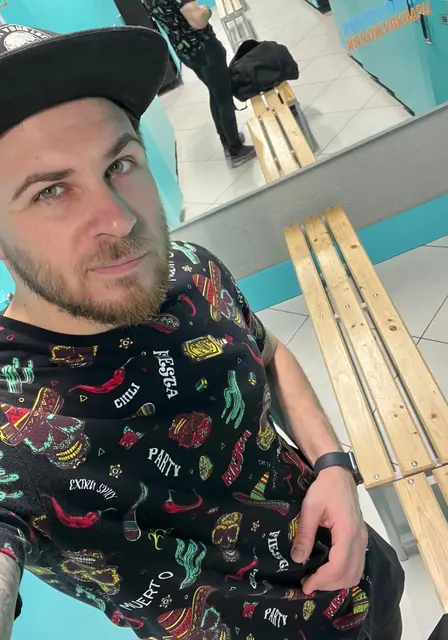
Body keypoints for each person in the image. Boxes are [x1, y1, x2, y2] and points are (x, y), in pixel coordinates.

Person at [0, 23, 404, 640]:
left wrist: (332, 466)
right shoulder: (11, 421)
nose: (119, 219)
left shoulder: (190, 268)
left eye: (120, 164)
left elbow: (270, 353)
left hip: (366, 578)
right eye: (51, 190)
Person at [143, 0, 256, 167]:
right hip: (204, 49)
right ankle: (236, 150)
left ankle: (227, 139)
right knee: (224, 97)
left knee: (215, 93)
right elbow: (198, 20)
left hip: (186, 51)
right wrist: (206, 10)